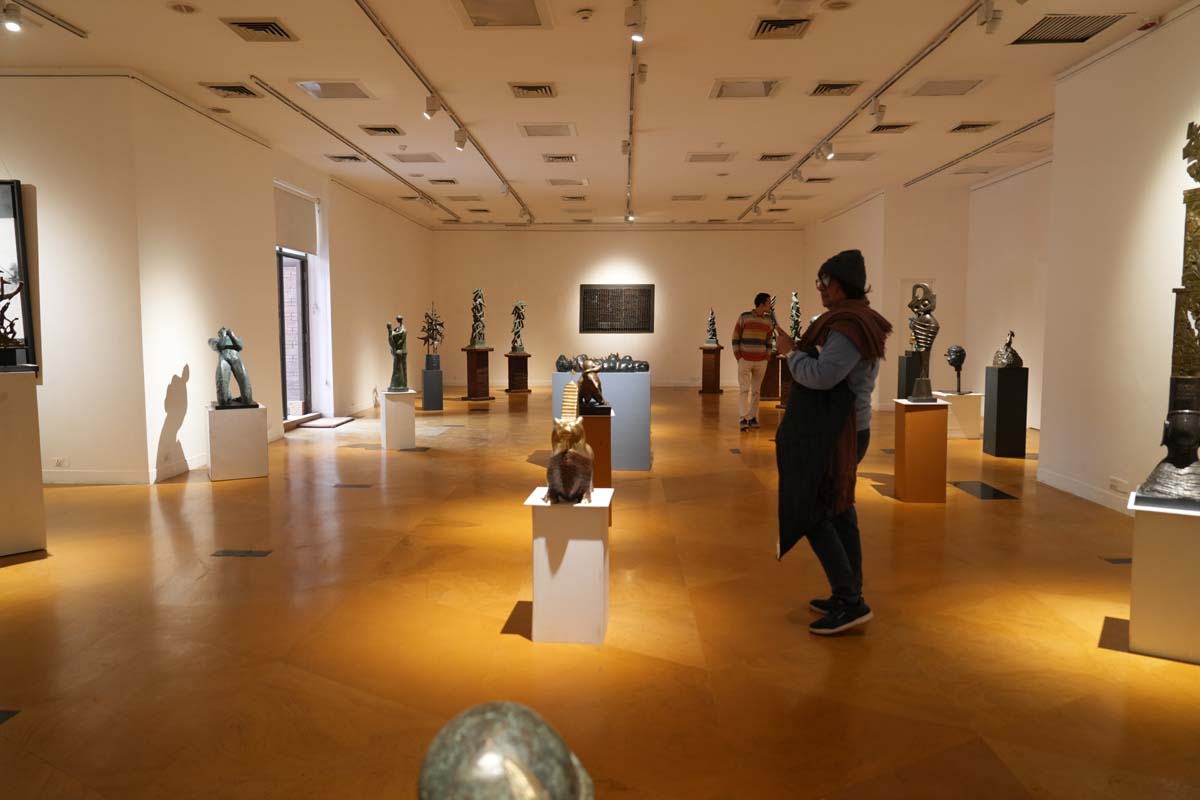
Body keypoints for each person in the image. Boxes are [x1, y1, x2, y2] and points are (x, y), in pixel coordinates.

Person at [773, 250, 892, 635]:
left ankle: (851, 600)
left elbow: (823, 376)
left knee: (813, 511)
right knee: (840, 511)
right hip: (845, 428)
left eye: (824, 283)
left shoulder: (847, 327)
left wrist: (791, 354)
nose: (820, 289)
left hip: (837, 432)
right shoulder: (859, 320)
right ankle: (849, 594)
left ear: (840, 286)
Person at [731, 292, 775, 432]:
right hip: (745, 360)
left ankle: (753, 417)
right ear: (762, 304)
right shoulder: (744, 317)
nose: (770, 305)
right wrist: (739, 356)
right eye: (768, 302)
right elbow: (735, 337)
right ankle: (743, 418)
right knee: (744, 390)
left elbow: (769, 340)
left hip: (761, 361)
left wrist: (767, 356)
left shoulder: (768, 321)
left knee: (756, 391)